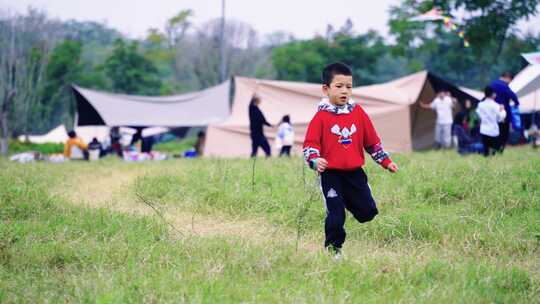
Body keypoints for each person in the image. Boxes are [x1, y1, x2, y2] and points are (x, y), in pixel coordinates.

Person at [303, 62, 399, 259]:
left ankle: (345, 198)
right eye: (339, 86)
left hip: (355, 174)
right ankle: (334, 250)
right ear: (326, 89)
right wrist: (315, 160)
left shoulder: (358, 113)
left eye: (348, 86)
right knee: (336, 215)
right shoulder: (320, 117)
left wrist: (386, 162)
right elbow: (309, 145)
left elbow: (372, 143)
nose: (344, 91)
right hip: (331, 174)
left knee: (368, 213)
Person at [489, 72, 520, 152]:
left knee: (495, 131)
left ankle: (493, 148)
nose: (510, 82)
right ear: (507, 77)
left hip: (492, 112)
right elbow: (511, 95)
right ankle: (500, 148)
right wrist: (516, 103)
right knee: (504, 132)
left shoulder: (492, 84)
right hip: (503, 112)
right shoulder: (503, 85)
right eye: (510, 80)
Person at [476, 86, 506, 157]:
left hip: (484, 129)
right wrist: (502, 110)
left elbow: (478, 114)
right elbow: (501, 116)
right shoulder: (496, 105)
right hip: (493, 130)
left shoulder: (480, 105)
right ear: (493, 94)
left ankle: (486, 158)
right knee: (495, 149)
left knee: (486, 149)